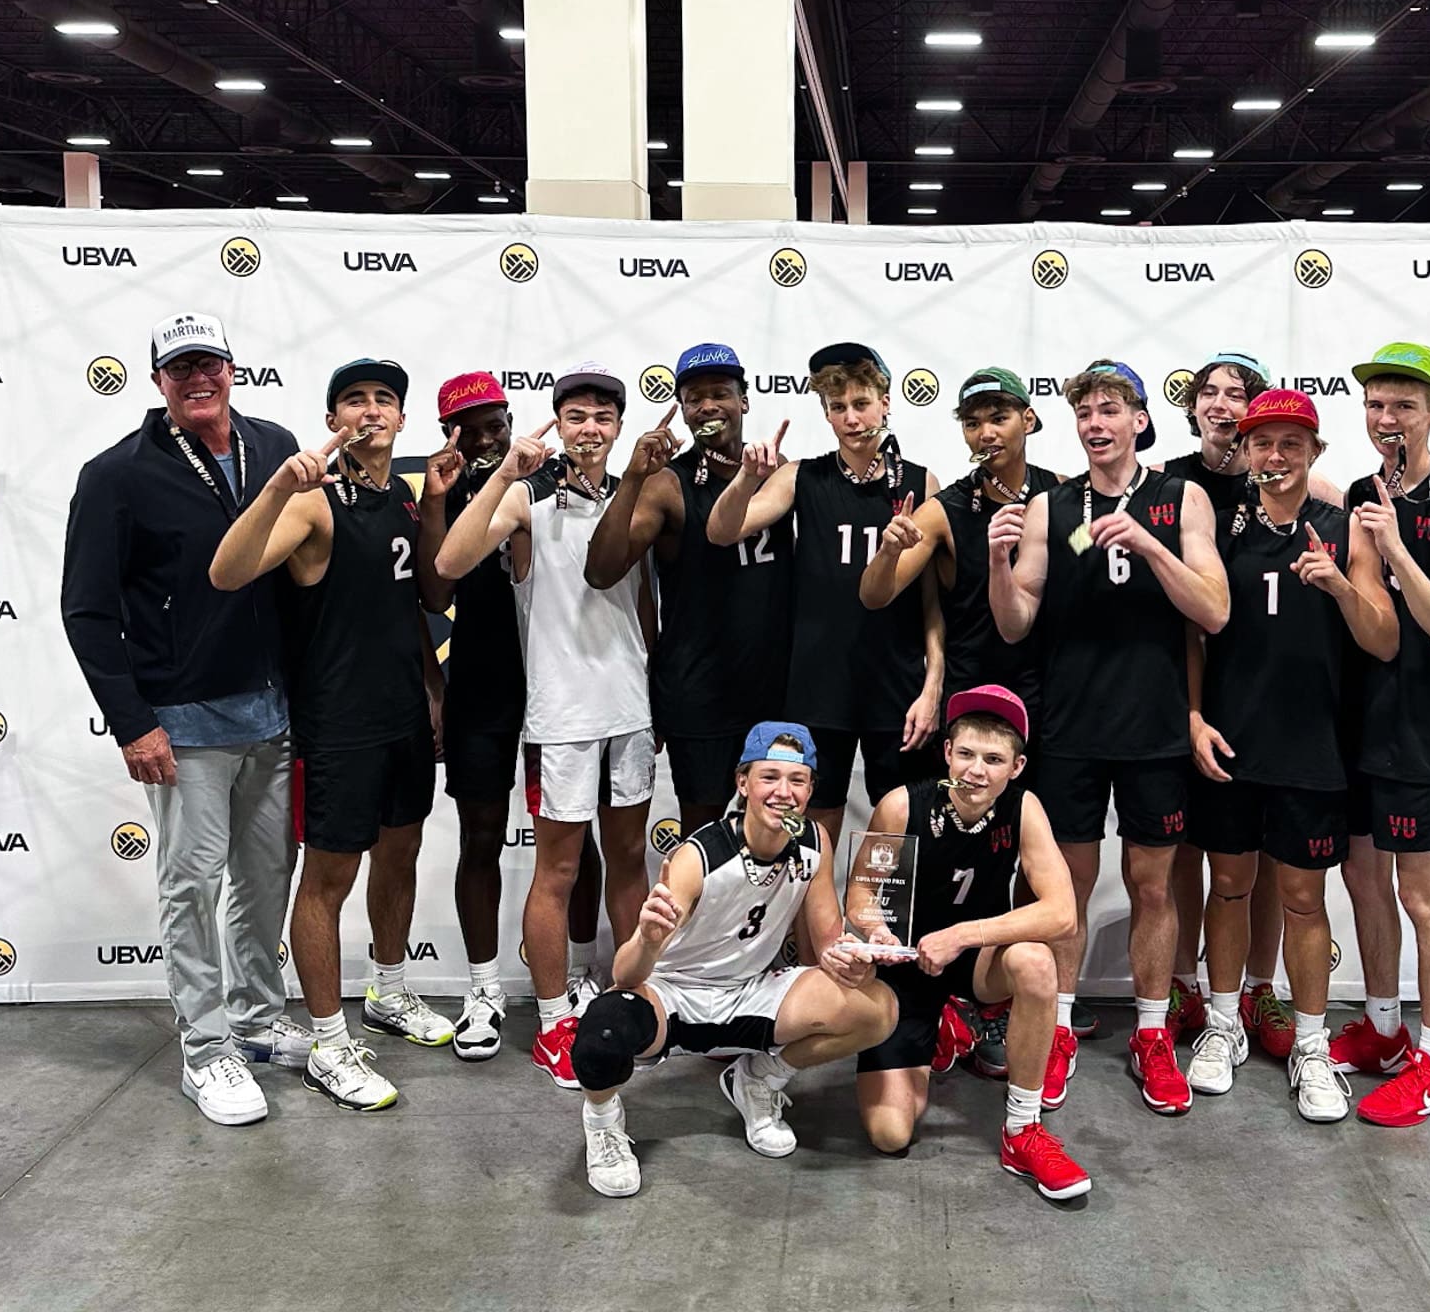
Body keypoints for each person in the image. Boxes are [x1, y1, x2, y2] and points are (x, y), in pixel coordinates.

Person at [61, 312, 307, 1126]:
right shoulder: (117, 473)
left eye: (210, 363)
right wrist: (132, 722)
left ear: (233, 368)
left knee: (265, 879)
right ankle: (206, 1050)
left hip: (271, 713)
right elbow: (87, 609)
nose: (198, 378)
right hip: (184, 721)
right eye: (180, 369)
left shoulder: (274, 446)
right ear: (158, 381)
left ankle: (257, 1019)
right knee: (192, 886)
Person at [210, 358, 456, 1112]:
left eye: (385, 399)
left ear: (403, 419)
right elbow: (227, 572)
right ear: (332, 421)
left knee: (401, 855)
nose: (371, 409)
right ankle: (326, 1042)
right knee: (327, 882)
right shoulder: (315, 502)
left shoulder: (404, 498)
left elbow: (420, 600)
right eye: (354, 400)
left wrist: (433, 687)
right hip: (339, 724)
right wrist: (278, 488)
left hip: (403, 714)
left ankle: (388, 992)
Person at [988, 359, 1229, 1116]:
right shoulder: (1051, 506)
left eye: (1110, 410)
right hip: (1070, 730)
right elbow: (1015, 622)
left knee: (1154, 887)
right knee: (1066, 889)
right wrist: (999, 565)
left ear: (1139, 420)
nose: (1096, 424)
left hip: (1154, 728)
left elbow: (1215, 611)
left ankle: (1153, 1033)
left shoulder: (1180, 497)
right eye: (1085, 412)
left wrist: (1152, 546)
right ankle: (1056, 1028)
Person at [434, 360, 655, 1088]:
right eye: (576, 416)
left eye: (602, 417)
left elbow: (643, 605)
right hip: (560, 717)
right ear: (557, 424)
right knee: (557, 869)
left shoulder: (633, 494)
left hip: (629, 710)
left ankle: (627, 996)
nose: (589, 429)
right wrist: (505, 474)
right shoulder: (528, 496)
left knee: (628, 860)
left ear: (618, 427)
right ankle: (555, 1019)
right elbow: (450, 559)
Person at [569, 724, 897, 1198]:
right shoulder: (698, 856)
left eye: (798, 780)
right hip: (675, 995)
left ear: (810, 790)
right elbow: (624, 975)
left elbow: (828, 946)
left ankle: (758, 1079)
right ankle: (602, 1123)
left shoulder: (815, 842)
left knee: (878, 1008)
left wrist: (854, 958)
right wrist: (647, 939)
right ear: (743, 783)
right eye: (769, 777)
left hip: (750, 993)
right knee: (602, 1035)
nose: (783, 792)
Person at [1185, 390, 1396, 1122]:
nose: (1275, 457)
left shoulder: (1345, 529)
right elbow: (1193, 634)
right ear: (1244, 451)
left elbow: (1384, 639)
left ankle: (1310, 1044)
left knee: (1304, 899)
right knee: (1229, 887)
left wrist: (1340, 587)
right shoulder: (1221, 530)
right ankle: (1222, 1024)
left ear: (1314, 452)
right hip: (1231, 743)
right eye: (1262, 443)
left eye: (1290, 444)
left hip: (1311, 747)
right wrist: (1194, 717)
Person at [856, 366, 1073, 1071]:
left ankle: (1020, 1006)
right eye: (973, 421)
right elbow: (876, 594)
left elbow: (1086, 563)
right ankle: (936, 998)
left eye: (998, 417)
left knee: (1029, 864)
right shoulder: (946, 508)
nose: (985, 432)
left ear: (1028, 421)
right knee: (942, 857)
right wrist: (890, 552)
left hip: (1049, 705)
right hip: (973, 714)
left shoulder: (1061, 498)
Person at [413, 372, 603, 1061]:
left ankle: (579, 977)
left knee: (576, 841)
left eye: (497, 423)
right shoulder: (447, 490)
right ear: (450, 437)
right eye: (472, 430)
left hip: (562, 681)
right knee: (482, 836)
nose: (489, 438)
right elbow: (436, 591)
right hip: (483, 685)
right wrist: (436, 500)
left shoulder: (553, 479)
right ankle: (483, 990)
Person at [1329, 342, 1430, 1129]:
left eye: (1403, 404)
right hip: (1365, 720)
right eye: (1375, 404)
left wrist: (1395, 544)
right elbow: (1375, 619)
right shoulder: (1362, 493)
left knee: (1422, 894)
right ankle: (1385, 1029)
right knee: (1363, 878)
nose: (1387, 417)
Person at [1162, 349, 1342, 1057]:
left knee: (1275, 870)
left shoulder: (1315, 496)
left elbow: (1341, 514)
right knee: (1194, 859)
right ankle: (1189, 986)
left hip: (1294, 729)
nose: (1221, 401)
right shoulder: (1173, 483)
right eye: (1208, 391)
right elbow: (1092, 524)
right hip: (1205, 711)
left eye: (1237, 392)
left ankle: (1257, 991)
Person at [853, 687, 1093, 1200]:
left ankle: (1022, 1129)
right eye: (965, 754)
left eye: (993, 759)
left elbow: (1063, 913)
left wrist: (962, 935)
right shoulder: (902, 805)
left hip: (975, 961)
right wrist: (876, 931)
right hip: (907, 966)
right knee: (890, 1134)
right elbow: (861, 894)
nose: (976, 771)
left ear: (1017, 766)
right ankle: (947, 1022)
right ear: (946, 752)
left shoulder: (1023, 808)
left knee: (1036, 960)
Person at [707, 343, 943, 835]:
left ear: (885, 403)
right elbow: (722, 532)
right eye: (838, 407)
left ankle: (881, 897)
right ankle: (818, 894)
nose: (851, 419)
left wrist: (933, 683)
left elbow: (932, 601)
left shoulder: (922, 483)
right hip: (818, 687)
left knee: (899, 829)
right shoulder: (802, 476)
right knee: (813, 829)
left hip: (896, 688)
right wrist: (747, 478)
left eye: (861, 404)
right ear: (826, 414)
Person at [584, 343, 795, 830]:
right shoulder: (667, 484)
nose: (707, 406)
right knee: (704, 837)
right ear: (681, 410)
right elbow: (601, 571)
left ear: (744, 401)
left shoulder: (779, 470)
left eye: (720, 393)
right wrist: (633, 477)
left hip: (775, 691)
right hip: (701, 695)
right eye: (694, 398)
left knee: (776, 833)